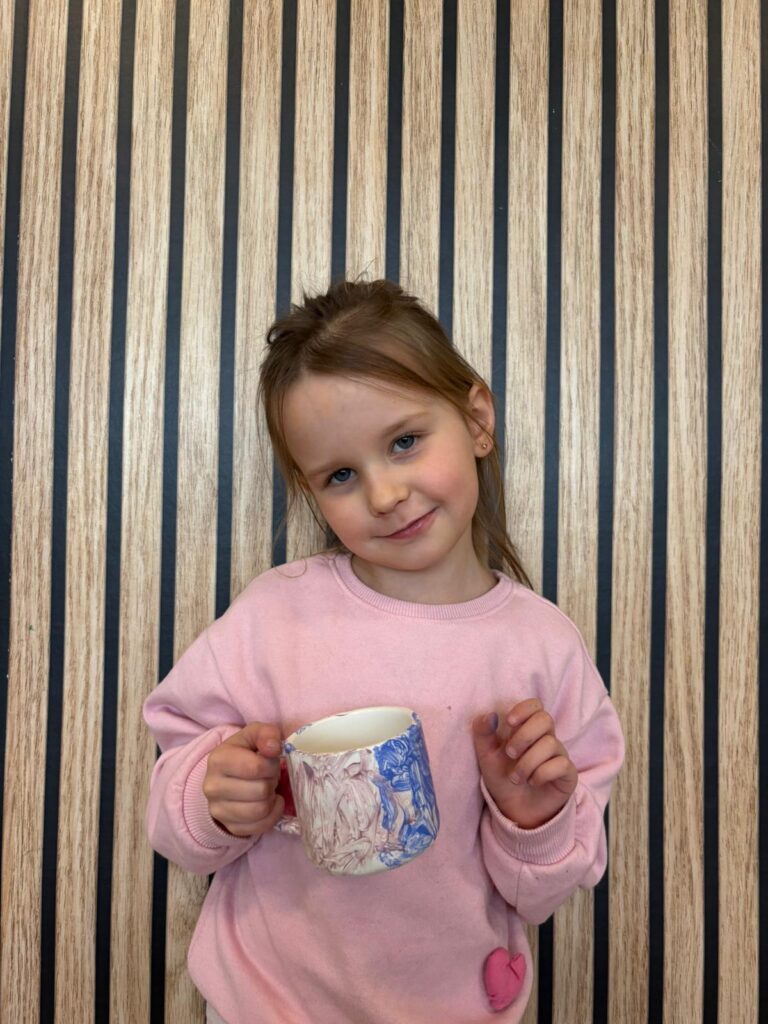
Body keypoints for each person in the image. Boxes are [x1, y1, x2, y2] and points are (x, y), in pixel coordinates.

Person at [143, 278, 624, 1024]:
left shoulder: (543, 648)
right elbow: (177, 797)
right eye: (341, 475)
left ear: (477, 419)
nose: (384, 494)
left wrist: (535, 820)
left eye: (404, 442)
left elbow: (543, 891)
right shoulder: (275, 615)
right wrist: (215, 795)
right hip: (265, 1002)